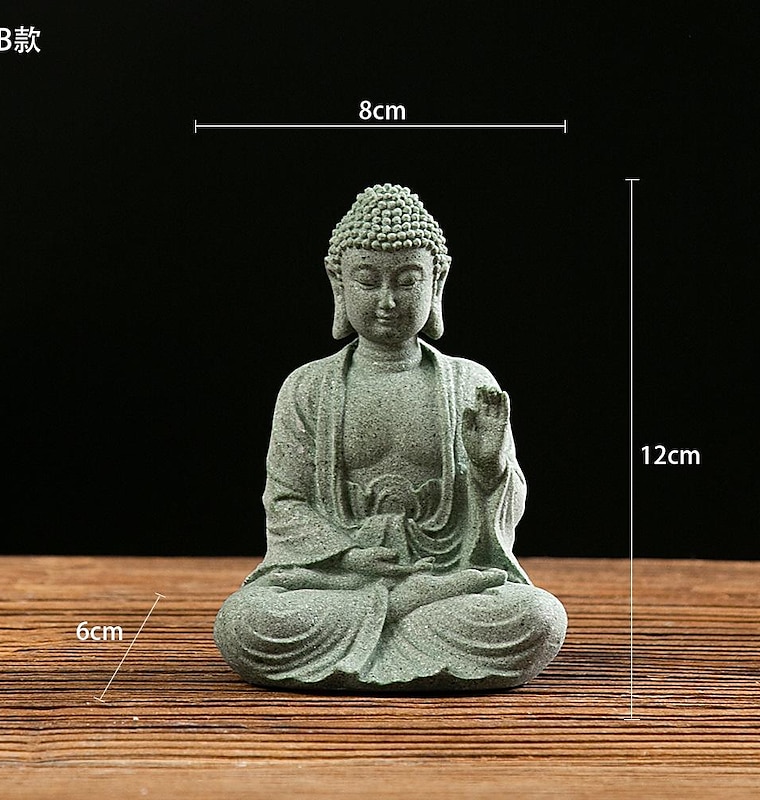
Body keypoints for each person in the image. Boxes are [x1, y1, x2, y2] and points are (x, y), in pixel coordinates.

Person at [214, 184, 566, 690]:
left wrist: (489, 468)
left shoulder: (469, 383)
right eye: (366, 280)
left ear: (437, 282)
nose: (387, 301)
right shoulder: (307, 387)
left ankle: (385, 625)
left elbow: (497, 525)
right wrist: (348, 555)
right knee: (249, 622)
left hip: (444, 575)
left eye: (407, 280)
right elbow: (286, 501)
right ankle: (400, 610)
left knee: (536, 617)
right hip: (342, 579)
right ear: (338, 285)